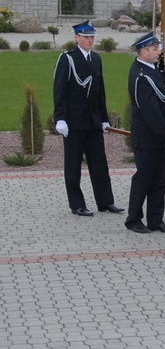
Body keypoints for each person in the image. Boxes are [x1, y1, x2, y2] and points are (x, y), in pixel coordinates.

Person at [53, 20, 122, 217]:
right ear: (76, 38)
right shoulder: (67, 59)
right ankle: (77, 204)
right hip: (73, 122)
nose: (89, 40)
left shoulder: (96, 59)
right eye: (85, 37)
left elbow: (100, 92)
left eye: (91, 37)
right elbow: (59, 90)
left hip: (92, 121)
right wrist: (60, 118)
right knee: (73, 165)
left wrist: (103, 118)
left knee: (100, 163)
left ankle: (105, 201)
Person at [125, 32, 165, 234]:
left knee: (159, 181)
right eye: (155, 49)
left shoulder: (152, 70)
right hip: (148, 138)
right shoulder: (140, 75)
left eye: (158, 48)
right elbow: (150, 112)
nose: (159, 52)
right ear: (143, 51)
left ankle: (156, 219)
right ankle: (134, 219)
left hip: (159, 138)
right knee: (143, 179)